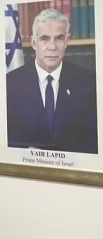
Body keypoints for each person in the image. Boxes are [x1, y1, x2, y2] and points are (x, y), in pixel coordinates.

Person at [6, 8, 98, 154]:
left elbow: (95, 140)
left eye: (59, 38)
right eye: (44, 38)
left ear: (66, 42)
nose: (52, 47)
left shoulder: (89, 82)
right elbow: (4, 138)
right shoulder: (10, 83)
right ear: (33, 43)